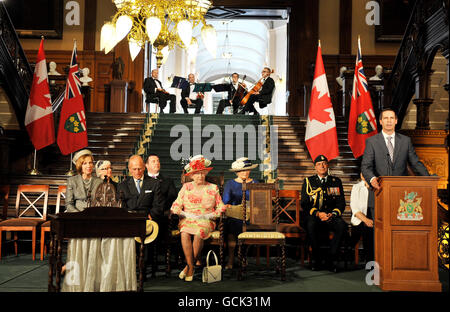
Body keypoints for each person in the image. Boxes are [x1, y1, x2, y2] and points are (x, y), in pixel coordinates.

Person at [361, 108, 430, 219]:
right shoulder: (372, 141)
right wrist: (372, 178)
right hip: (379, 192)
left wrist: (429, 179)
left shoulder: (405, 141)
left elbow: (415, 163)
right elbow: (365, 166)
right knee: (380, 232)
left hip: (402, 196)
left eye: (392, 118)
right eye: (386, 118)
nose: (389, 121)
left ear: (396, 121)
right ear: (380, 121)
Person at [170, 155, 228, 281]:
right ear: (191, 175)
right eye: (197, 174)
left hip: (206, 220)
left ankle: (188, 267)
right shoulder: (186, 187)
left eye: (202, 173)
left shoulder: (213, 188)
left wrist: (208, 215)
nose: (200, 176)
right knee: (184, 232)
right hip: (188, 219)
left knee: (198, 232)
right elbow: (175, 205)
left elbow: (221, 207)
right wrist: (186, 214)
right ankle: (191, 266)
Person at [62, 149, 103, 292]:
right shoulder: (72, 181)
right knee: (79, 245)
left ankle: (92, 275)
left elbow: (101, 202)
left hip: (94, 217)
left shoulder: (99, 181)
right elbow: (68, 204)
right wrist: (79, 216)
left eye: (91, 163)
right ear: (80, 165)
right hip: (77, 217)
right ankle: (75, 275)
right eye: (85, 163)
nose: (89, 166)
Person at [118, 155, 165, 278]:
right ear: (129, 169)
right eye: (134, 169)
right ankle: (130, 269)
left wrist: (151, 216)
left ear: (144, 167)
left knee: (144, 234)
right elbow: (121, 206)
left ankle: (142, 270)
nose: (137, 172)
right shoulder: (122, 185)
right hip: (130, 220)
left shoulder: (154, 183)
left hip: (147, 220)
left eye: (139, 168)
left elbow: (159, 205)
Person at [94, 160, 137, 291]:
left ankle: (113, 272)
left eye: (110, 168)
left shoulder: (117, 186)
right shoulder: (94, 185)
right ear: (98, 172)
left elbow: (121, 205)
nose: (108, 171)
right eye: (104, 169)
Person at [301, 155, 347, 273]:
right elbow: (305, 204)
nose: (322, 166)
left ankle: (331, 259)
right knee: (310, 225)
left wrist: (333, 214)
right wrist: (318, 214)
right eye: (319, 164)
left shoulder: (336, 181)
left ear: (328, 166)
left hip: (331, 216)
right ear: (315, 167)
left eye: (324, 163)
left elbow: (341, 203)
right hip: (315, 216)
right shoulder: (308, 181)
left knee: (342, 225)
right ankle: (317, 259)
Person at [222, 157, 258, 269]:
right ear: (237, 172)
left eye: (247, 170)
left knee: (252, 226)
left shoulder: (255, 182)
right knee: (233, 225)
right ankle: (231, 259)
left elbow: (259, 201)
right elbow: (225, 202)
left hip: (251, 215)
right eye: (242, 170)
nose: (245, 172)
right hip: (234, 215)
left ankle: (243, 256)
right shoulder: (230, 184)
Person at [145, 154, 178, 273]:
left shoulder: (168, 181)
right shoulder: (142, 180)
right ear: (146, 165)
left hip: (162, 214)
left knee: (160, 221)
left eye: (158, 161)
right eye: (153, 161)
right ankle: (145, 260)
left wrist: (158, 210)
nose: (157, 163)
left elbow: (172, 197)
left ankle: (157, 260)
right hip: (145, 214)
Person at [350, 173, 373, 264]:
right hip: (360, 219)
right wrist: (366, 220)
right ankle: (370, 261)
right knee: (367, 230)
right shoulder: (357, 187)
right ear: (361, 175)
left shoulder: (377, 187)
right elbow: (355, 209)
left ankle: (373, 260)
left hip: (374, 218)